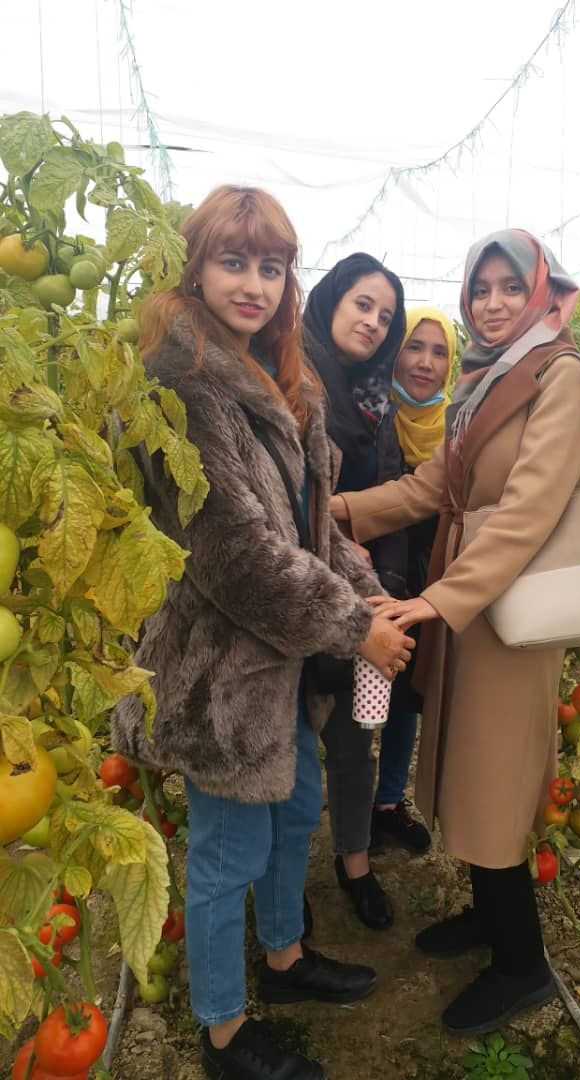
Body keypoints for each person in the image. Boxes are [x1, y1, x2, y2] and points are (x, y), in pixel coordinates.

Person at [112, 187, 413, 1080]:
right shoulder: (182, 385)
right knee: (227, 850)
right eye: (232, 262)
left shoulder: (285, 380)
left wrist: (368, 595)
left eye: (271, 267)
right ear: (195, 266)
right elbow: (236, 555)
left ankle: (283, 959)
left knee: (296, 814)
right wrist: (357, 627)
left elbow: (313, 529)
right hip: (222, 668)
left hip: (280, 660)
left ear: (290, 280)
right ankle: (221, 1031)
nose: (253, 284)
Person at [330, 229, 580, 1036]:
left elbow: (529, 512)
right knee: (469, 762)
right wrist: (338, 510)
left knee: (495, 775)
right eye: (480, 289)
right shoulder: (483, 382)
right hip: (473, 594)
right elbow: (429, 486)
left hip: (509, 604)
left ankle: (523, 966)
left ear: (541, 290)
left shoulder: (561, 374)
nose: (492, 302)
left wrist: (444, 597)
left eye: (510, 287)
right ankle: (488, 920)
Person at [301, 253, 410, 931]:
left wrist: (386, 587)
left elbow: (395, 500)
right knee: (284, 747)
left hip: (363, 599)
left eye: (385, 316)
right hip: (300, 597)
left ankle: (354, 864)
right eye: (362, 304)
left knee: (350, 742)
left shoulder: (379, 402)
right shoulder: (293, 380)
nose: (372, 322)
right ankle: (285, 890)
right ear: (332, 300)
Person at [369, 307, 456, 854]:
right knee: (359, 691)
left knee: (406, 693)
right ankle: (353, 810)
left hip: (430, 574)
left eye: (439, 350)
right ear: (394, 352)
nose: (425, 362)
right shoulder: (368, 410)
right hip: (366, 568)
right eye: (414, 347)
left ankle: (387, 801)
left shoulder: (460, 423)